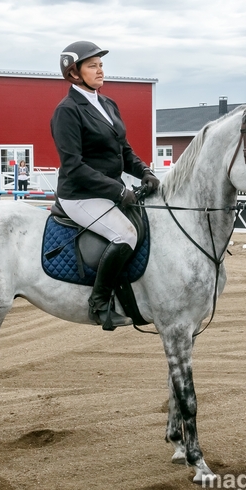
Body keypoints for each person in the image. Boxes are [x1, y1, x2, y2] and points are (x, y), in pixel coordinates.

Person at [51, 40, 160, 330]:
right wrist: (117, 190)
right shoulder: (67, 110)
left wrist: (144, 172)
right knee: (125, 234)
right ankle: (99, 303)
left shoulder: (108, 104)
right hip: (80, 195)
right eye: (92, 65)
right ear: (74, 73)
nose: (100, 70)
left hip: (108, 191)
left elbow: (123, 150)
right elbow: (73, 166)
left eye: (101, 65)